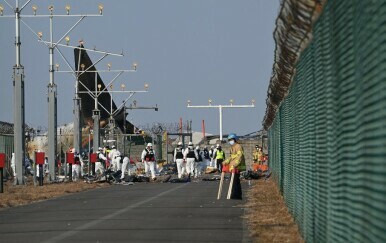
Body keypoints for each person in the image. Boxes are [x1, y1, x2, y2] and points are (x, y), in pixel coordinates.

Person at [223, 133, 246, 200]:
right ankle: (236, 195)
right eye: (229, 140)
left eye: (231, 139)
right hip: (233, 167)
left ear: (235, 139)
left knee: (235, 181)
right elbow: (231, 157)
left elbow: (239, 157)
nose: (230, 141)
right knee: (234, 181)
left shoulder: (238, 146)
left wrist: (234, 165)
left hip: (237, 166)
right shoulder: (232, 147)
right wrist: (226, 162)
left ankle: (236, 195)